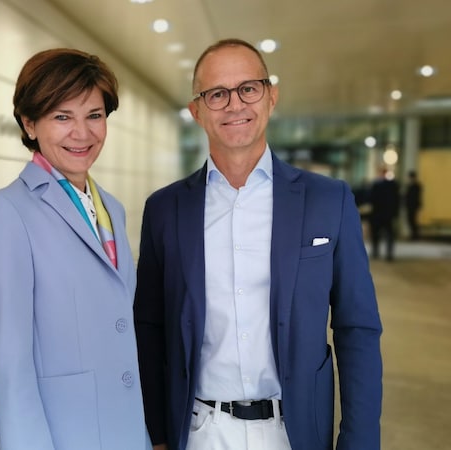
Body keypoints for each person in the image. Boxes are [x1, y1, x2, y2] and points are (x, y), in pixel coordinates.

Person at [133, 38, 383, 450]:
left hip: (295, 432)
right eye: (216, 94)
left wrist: (359, 441)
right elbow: (150, 327)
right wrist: (158, 434)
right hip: (199, 432)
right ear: (196, 111)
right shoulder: (165, 209)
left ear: (271, 97)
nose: (234, 105)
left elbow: (356, 328)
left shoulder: (327, 200)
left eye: (248, 88)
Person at [0, 48, 152, 450]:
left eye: (94, 115)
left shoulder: (112, 210)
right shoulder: (4, 213)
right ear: (29, 123)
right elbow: (7, 364)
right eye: (62, 117)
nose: (82, 133)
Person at [368, 167, 400, 260]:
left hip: (377, 213)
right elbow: (397, 200)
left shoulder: (376, 185)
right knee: (389, 235)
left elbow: (371, 199)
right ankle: (389, 254)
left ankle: (375, 252)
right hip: (388, 214)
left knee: (375, 235)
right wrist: (395, 213)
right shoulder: (393, 185)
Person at [404, 170, 423, 240]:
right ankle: (413, 234)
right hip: (409, 206)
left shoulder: (416, 186)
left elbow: (415, 196)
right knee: (410, 220)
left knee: (413, 220)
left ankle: (415, 235)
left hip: (413, 206)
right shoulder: (409, 186)